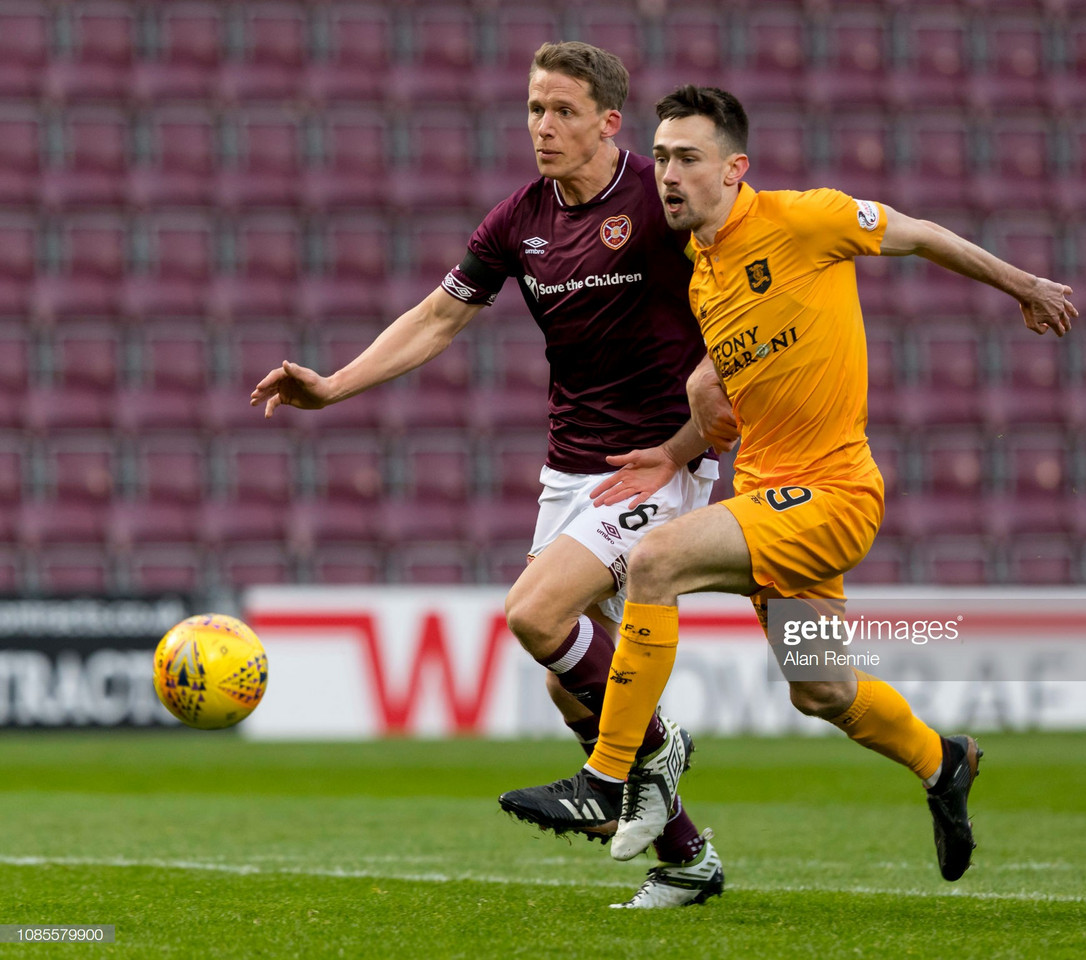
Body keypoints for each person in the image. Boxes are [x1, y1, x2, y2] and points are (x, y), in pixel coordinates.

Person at [499, 85, 1078, 883]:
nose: (667, 173)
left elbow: (917, 233)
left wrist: (1023, 285)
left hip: (834, 495)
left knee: (657, 561)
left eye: (689, 159)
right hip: (769, 501)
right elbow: (730, 391)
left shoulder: (808, 220)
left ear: (735, 169)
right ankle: (944, 761)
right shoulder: (704, 276)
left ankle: (612, 778)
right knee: (824, 690)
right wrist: (677, 447)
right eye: (661, 157)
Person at [249, 46, 734, 909]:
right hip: (569, 470)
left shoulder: (658, 203)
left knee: (534, 614)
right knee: (565, 680)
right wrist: (333, 386)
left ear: (608, 123)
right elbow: (438, 318)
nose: (542, 127)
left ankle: (653, 749)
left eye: (561, 111)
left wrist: (697, 434)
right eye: (533, 109)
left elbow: (743, 290)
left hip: (652, 465)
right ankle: (689, 856)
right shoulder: (517, 221)